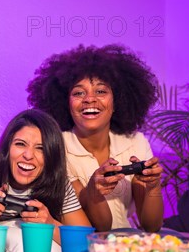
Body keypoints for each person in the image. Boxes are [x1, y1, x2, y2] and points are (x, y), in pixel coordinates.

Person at [27, 44, 164, 232]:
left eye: (101, 91)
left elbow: (152, 226)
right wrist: (92, 193)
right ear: (65, 103)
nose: (89, 99)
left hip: (130, 244)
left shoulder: (135, 142)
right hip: (85, 245)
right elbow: (101, 228)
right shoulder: (57, 147)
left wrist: (153, 187)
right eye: (78, 93)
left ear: (117, 102)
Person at [0, 109, 91, 252]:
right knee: (23, 241)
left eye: (40, 148)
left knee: (46, 245)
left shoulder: (58, 184)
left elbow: (87, 244)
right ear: (7, 147)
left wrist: (50, 223)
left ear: (52, 155)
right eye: (20, 144)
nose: (28, 155)